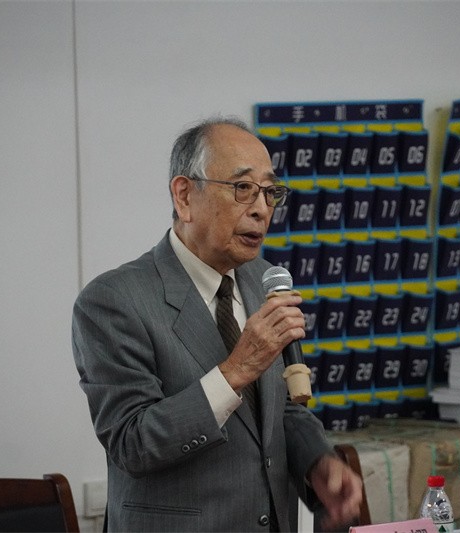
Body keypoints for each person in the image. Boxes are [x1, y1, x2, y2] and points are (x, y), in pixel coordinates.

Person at [72, 116, 363, 532]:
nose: (261, 209)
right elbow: (132, 443)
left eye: (270, 192)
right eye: (243, 188)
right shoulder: (114, 300)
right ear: (184, 195)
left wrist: (319, 462)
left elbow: (278, 410)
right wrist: (236, 371)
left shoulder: (262, 279)